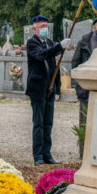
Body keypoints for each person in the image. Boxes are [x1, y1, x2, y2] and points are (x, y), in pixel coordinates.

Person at [26, 15, 72, 166]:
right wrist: (59, 46)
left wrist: (57, 88)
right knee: (38, 123)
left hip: (50, 89)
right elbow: (41, 55)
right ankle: (38, 155)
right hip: (38, 88)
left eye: (46, 26)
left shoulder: (50, 43)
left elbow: (55, 69)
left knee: (48, 124)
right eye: (41, 26)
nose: (44, 29)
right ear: (35, 28)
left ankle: (47, 153)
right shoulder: (32, 42)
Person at [71, 18, 97, 159]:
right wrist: (79, 86)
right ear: (93, 27)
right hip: (86, 90)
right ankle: (83, 156)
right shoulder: (85, 41)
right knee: (84, 124)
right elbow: (76, 63)